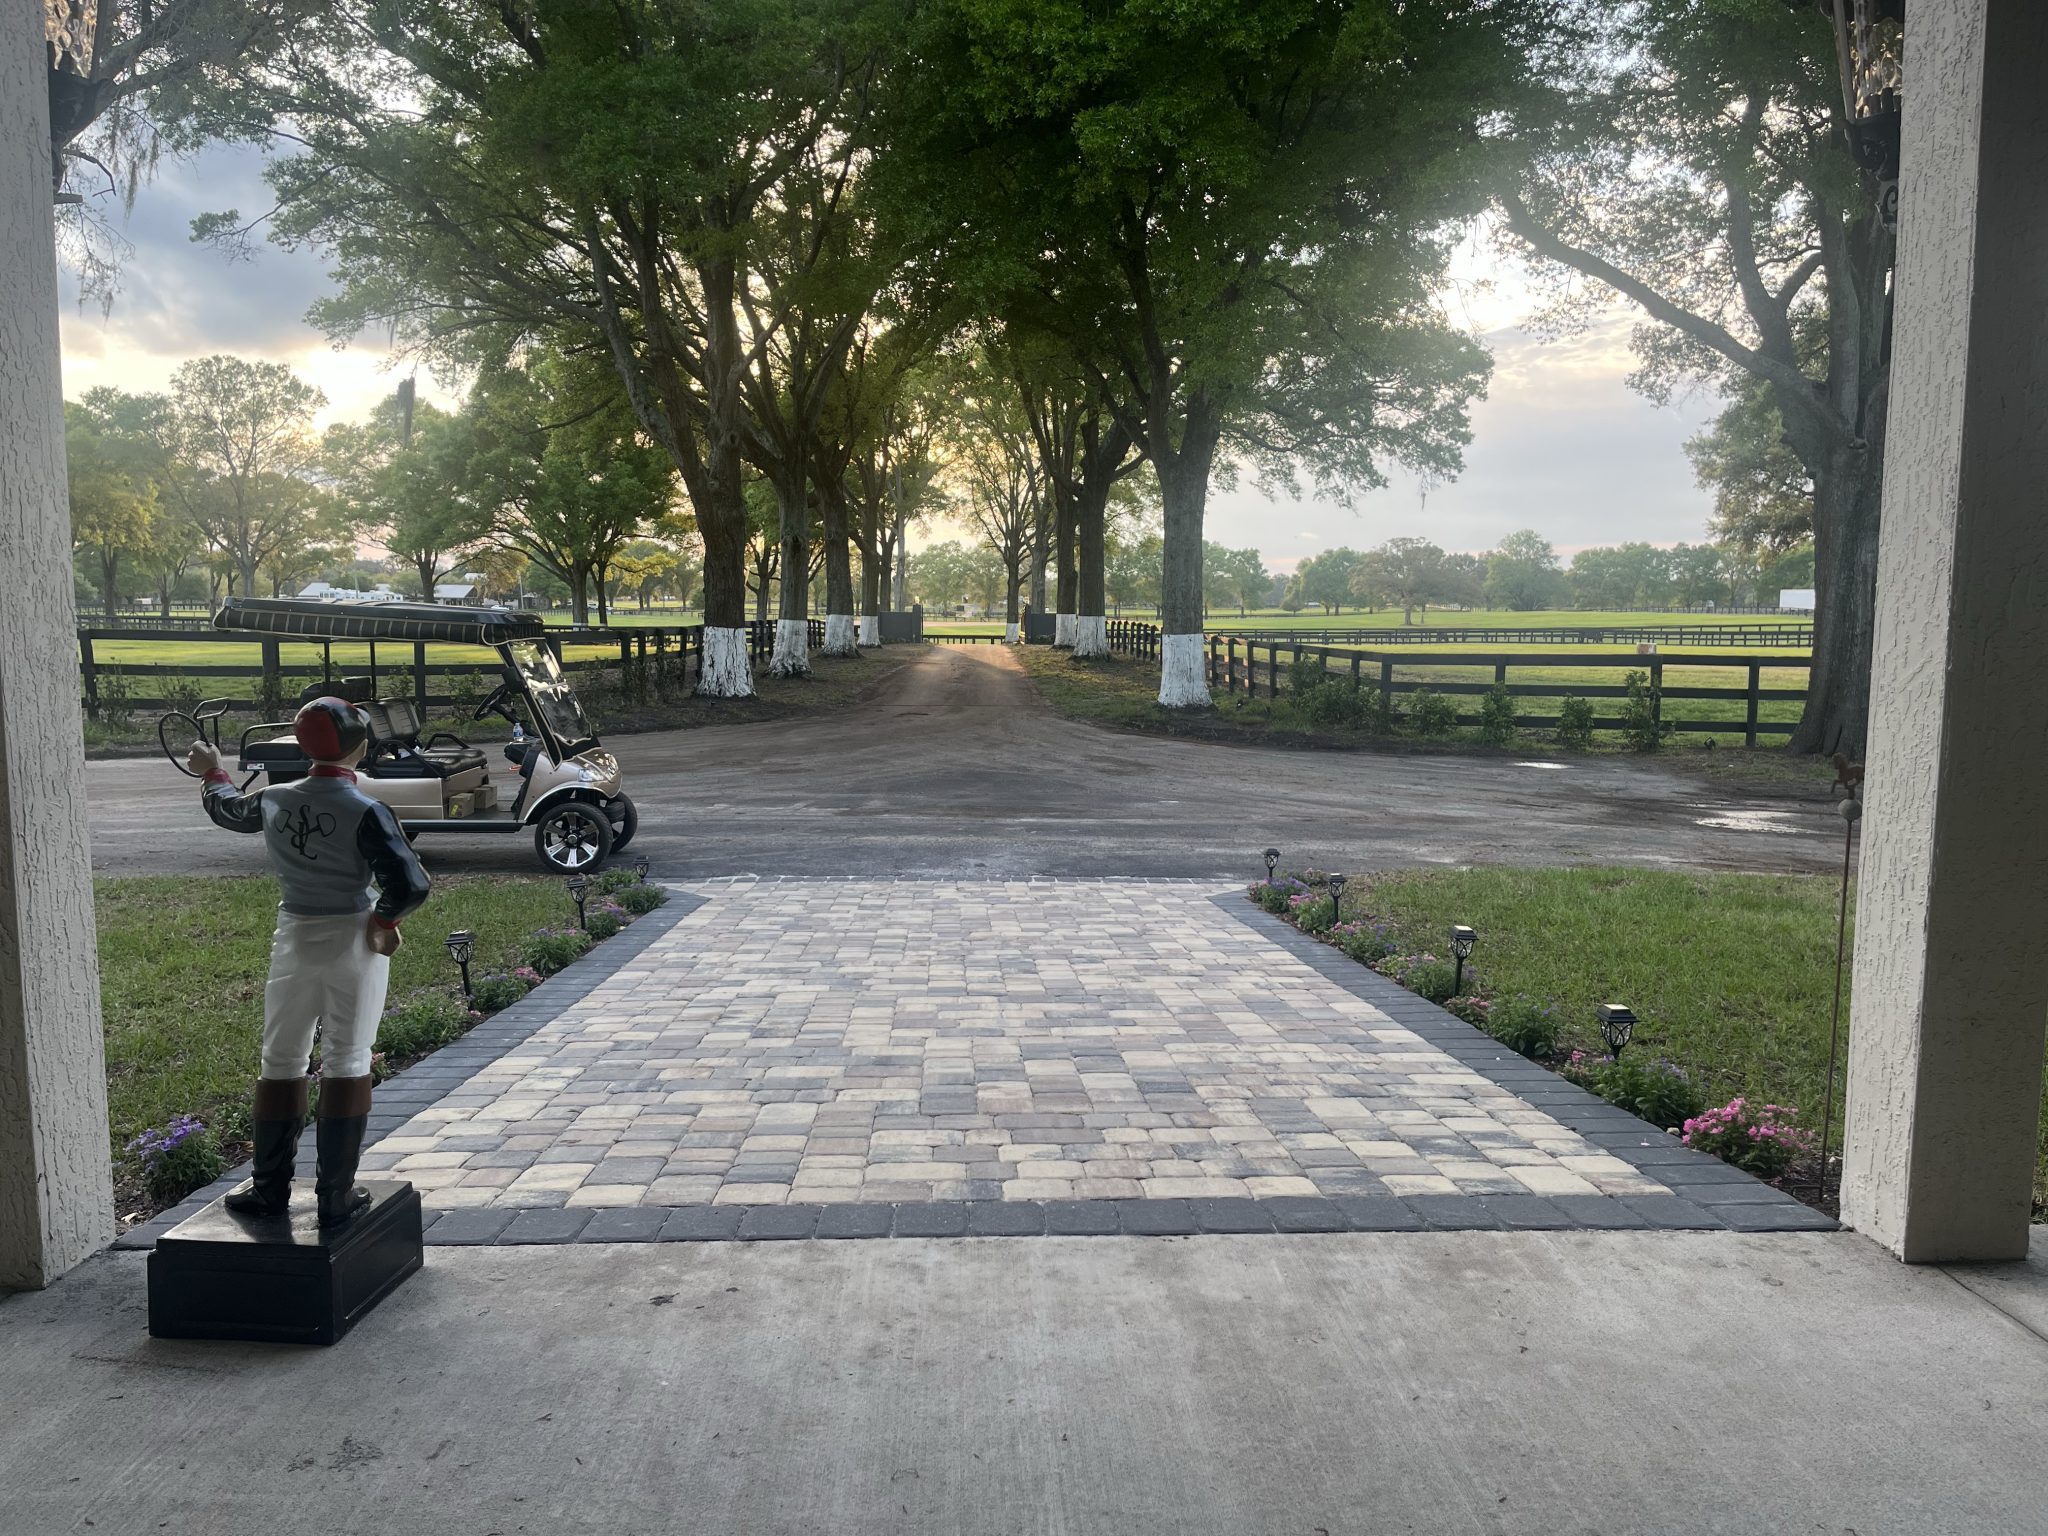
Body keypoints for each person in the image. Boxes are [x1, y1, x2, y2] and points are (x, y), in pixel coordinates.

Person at [186, 698, 430, 1227]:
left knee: (281, 1057)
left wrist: (213, 773)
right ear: (361, 747)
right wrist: (383, 922)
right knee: (347, 1058)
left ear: (301, 746)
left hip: (294, 936)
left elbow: (229, 808)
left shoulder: (273, 799)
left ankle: (270, 1188)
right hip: (352, 939)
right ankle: (335, 1195)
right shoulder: (365, 809)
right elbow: (410, 884)